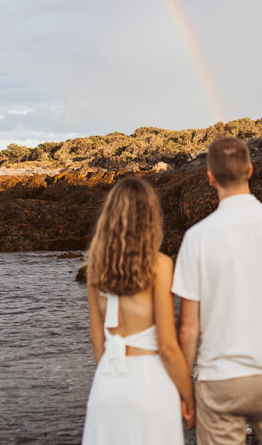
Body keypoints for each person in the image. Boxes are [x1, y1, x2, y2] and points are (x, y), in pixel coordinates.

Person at [173, 136, 262, 445]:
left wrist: (186, 391)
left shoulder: (196, 238)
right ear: (250, 170)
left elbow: (187, 327)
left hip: (220, 379)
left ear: (210, 176)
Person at [82, 177, 195, 444]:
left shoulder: (94, 267)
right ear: (149, 217)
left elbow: (97, 338)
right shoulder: (159, 265)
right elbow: (167, 346)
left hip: (107, 383)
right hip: (149, 381)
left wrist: (111, 375)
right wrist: (189, 396)